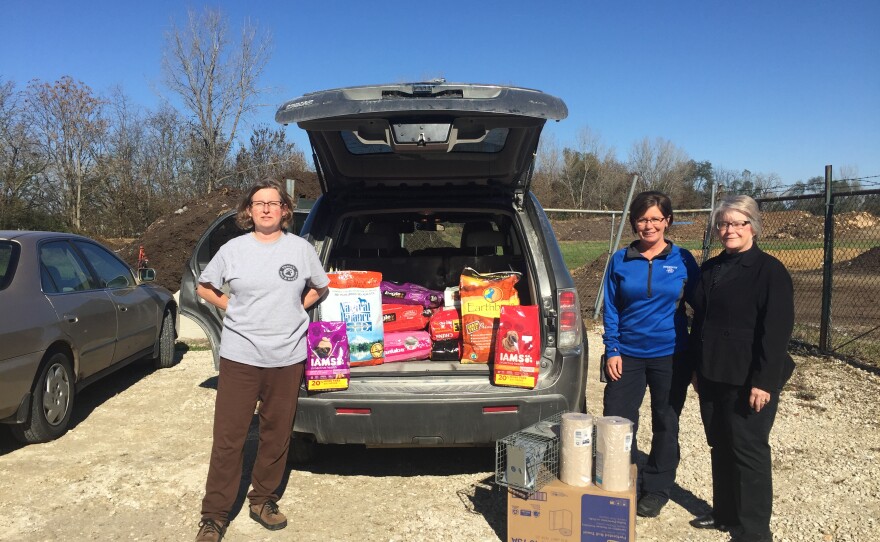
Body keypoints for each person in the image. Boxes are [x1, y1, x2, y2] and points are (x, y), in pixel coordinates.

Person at [194, 179, 329, 542]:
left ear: (285, 210)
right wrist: (231, 306)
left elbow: (321, 286)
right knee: (229, 436)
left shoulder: (300, 249)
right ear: (248, 211)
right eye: (259, 203)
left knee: (276, 433)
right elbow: (203, 287)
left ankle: (263, 500)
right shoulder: (233, 249)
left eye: (273, 203)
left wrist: (295, 308)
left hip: (287, 356)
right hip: (240, 355)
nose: (266, 208)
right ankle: (214, 515)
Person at [687, 195, 794, 542]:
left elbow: (776, 332)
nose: (729, 230)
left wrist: (764, 381)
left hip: (749, 377)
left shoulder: (769, 271)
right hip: (713, 371)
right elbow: (700, 320)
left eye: (737, 223)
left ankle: (754, 530)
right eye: (723, 224)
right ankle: (725, 513)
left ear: (753, 227)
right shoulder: (711, 268)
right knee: (720, 444)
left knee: (749, 450)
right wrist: (696, 369)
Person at [602, 190, 700, 518]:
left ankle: (657, 487)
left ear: (667, 221)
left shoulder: (683, 259)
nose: (649, 225)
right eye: (643, 219)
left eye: (656, 218)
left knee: (666, 420)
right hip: (626, 354)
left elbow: (700, 306)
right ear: (633, 222)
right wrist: (612, 348)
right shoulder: (620, 260)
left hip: (670, 355)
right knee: (618, 419)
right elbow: (612, 308)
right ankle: (622, 477)